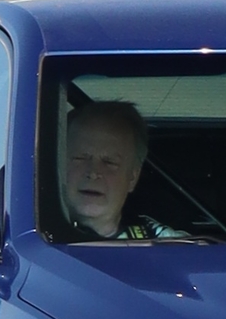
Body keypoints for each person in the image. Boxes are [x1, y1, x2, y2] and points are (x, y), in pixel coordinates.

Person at [62, 99, 184, 239]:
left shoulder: (167, 244)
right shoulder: (39, 239)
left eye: (109, 162)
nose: (93, 173)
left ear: (133, 177)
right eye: (80, 158)